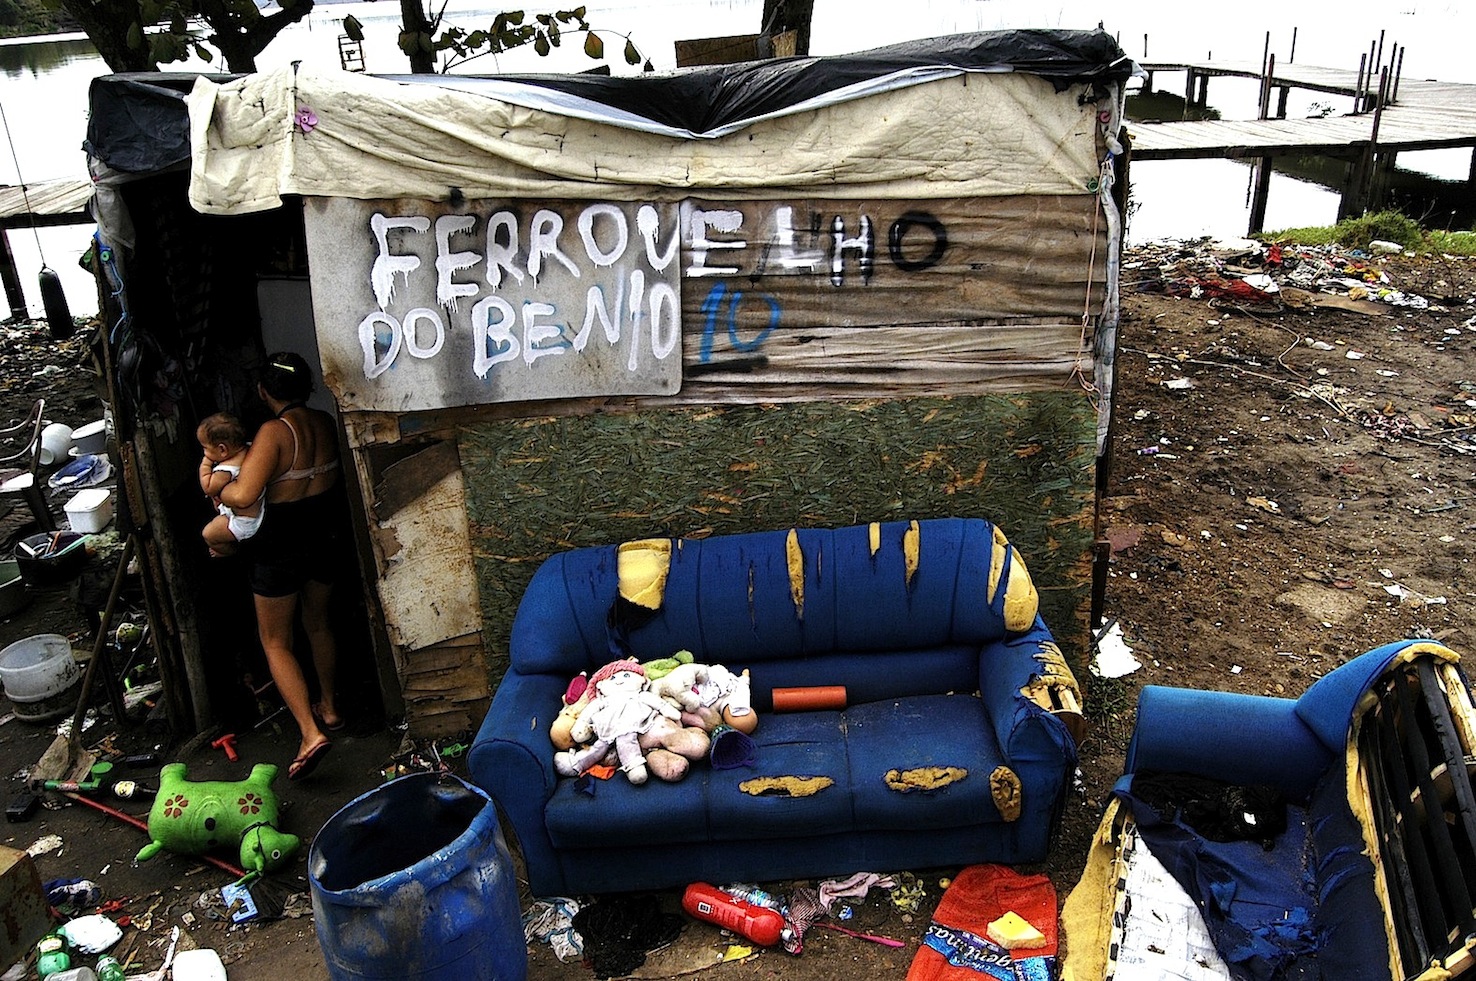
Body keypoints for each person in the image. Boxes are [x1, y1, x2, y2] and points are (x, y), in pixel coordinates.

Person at [220, 352, 345, 779]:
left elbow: (243, 495)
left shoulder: (274, 432)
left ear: (263, 391)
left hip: (281, 546)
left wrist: (219, 483)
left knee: (276, 641)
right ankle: (328, 708)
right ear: (308, 387)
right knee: (319, 624)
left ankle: (310, 734)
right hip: (323, 537)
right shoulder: (325, 423)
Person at [197, 412, 264, 557]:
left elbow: (208, 488)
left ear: (222, 449)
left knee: (208, 534)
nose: (204, 452)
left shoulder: (225, 470)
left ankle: (228, 552)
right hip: (256, 511)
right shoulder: (249, 450)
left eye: (205, 448)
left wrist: (205, 465)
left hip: (242, 521)